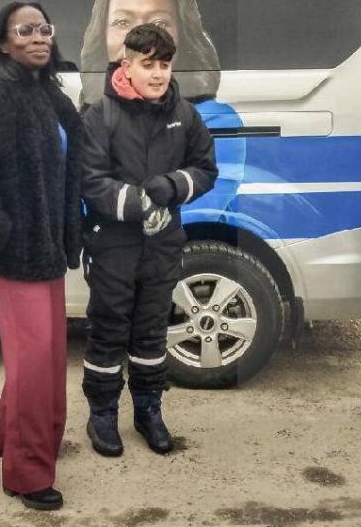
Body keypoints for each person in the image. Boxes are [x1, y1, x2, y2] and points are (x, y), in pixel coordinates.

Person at [0, 1, 83, 512]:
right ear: (4, 43)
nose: (38, 37)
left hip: (48, 246)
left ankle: (17, 439)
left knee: (46, 355)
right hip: (14, 251)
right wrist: (3, 228)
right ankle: (26, 473)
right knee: (34, 360)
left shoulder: (49, 95)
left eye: (44, 28)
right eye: (24, 30)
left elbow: (85, 151)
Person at [79, 23, 217, 456]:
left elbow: (206, 170)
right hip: (113, 247)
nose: (157, 74)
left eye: (164, 64)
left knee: (152, 334)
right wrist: (139, 202)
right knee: (107, 332)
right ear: (127, 64)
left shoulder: (186, 114)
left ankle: (148, 411)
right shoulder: (100, 114)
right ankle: (101, 415)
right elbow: (91, 181)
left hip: (162, 247)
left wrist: (173, 185)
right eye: (147, 64)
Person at [80, 0, 221, 106]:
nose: (141, 40)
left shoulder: (206, 117)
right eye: (122, 23)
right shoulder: (91, 117)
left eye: (159, 24)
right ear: (102, 34)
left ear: (183, 35)